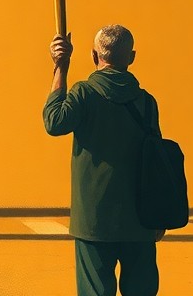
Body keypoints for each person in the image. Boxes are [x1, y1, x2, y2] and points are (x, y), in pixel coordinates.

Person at [43, 24, 163, 296]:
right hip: (141, 219)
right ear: (131, 57)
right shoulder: (147, 103)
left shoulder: (84, 94)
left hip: (94, 220)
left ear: (94, 55)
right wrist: (159, 215)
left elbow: (54, 122)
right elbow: (156, 162)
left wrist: (61, 67)